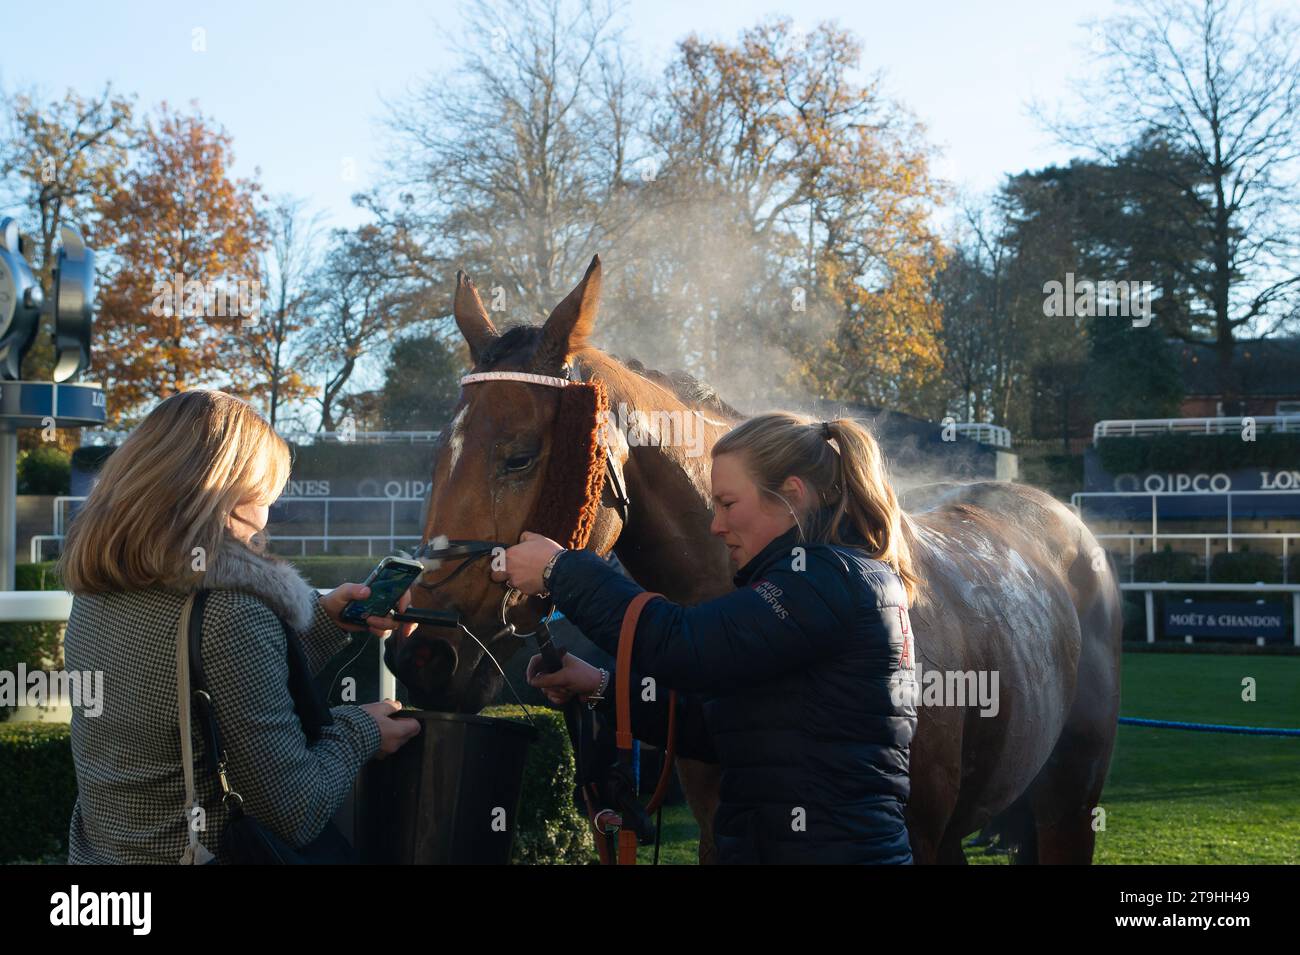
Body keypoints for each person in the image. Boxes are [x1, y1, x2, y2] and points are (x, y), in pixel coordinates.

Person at [502, 412, 921, 864]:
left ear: (792, 497)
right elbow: (721, 727)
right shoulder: (835, 577)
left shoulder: (822, 579)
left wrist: (559, 570)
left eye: (727, 503)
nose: (715, 525)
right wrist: (602, 685)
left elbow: (684, 645)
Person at [58, 390, 421, 864]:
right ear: (231, 499)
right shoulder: (230, 610)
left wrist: (324, 621)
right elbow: (296, 810)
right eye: (265, 496)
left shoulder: (98, 589)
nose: (265, 521)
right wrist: (362, 731)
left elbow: (194, 685)